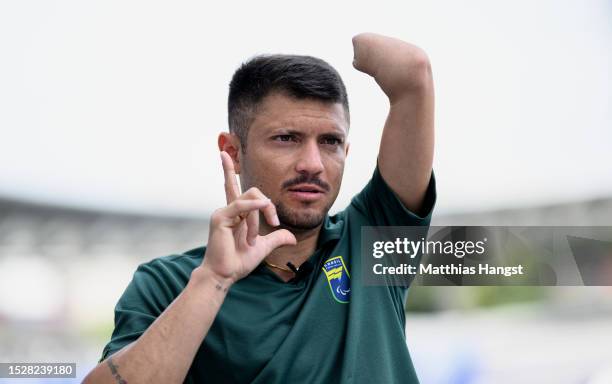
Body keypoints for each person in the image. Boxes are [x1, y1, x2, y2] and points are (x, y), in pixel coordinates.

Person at [83, 32, 436, 384]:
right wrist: (213, 281)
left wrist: (352, 44)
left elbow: (413, 71)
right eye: (286, 138)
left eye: (330, 141)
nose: (312, 163)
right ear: (234, 152)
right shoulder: (167, 283)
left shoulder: (375, 242)